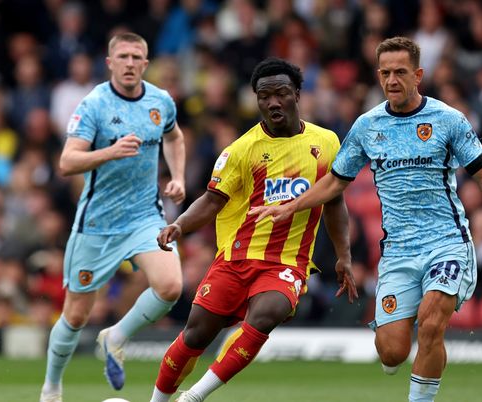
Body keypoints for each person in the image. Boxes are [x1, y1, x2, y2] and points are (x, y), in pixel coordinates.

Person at [250, 37, 482, 402]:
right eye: (385, 73)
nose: (392, 80)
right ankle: (399, 345)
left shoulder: (448, 120)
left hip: (446, 243)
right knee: (392, 351)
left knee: (432, 323)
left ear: (418, 74)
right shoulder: (368, 126)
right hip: (398, 253)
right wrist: (291, 206)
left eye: (400, 72)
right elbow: (337, 181)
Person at [150, 58, 357, 402]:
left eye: (281, 93)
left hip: (286, 262)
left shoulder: (327, 142)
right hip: (236, 257)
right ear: (257, 100)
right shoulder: (241, 150)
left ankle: (195, 396)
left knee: (267, 313)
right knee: (196, 335)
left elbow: (335, 202)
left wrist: (344, 256)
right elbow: (211, 200)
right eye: (264, 96)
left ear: (297, 95)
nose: (273, 102)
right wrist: (179, 224)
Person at [39, 32, 186, 402]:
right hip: (97, 224)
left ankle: (116, 337)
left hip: (144, 217)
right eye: (123, 56)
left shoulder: (160, 101)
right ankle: (52, 386)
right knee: (75, 316)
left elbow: (175, 137)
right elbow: (67, 162)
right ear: (110, 63)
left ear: (146, 64)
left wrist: (179, 176)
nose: (130, 63)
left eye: (137, 57)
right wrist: (111, 151)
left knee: (170, 286)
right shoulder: (93, 105)